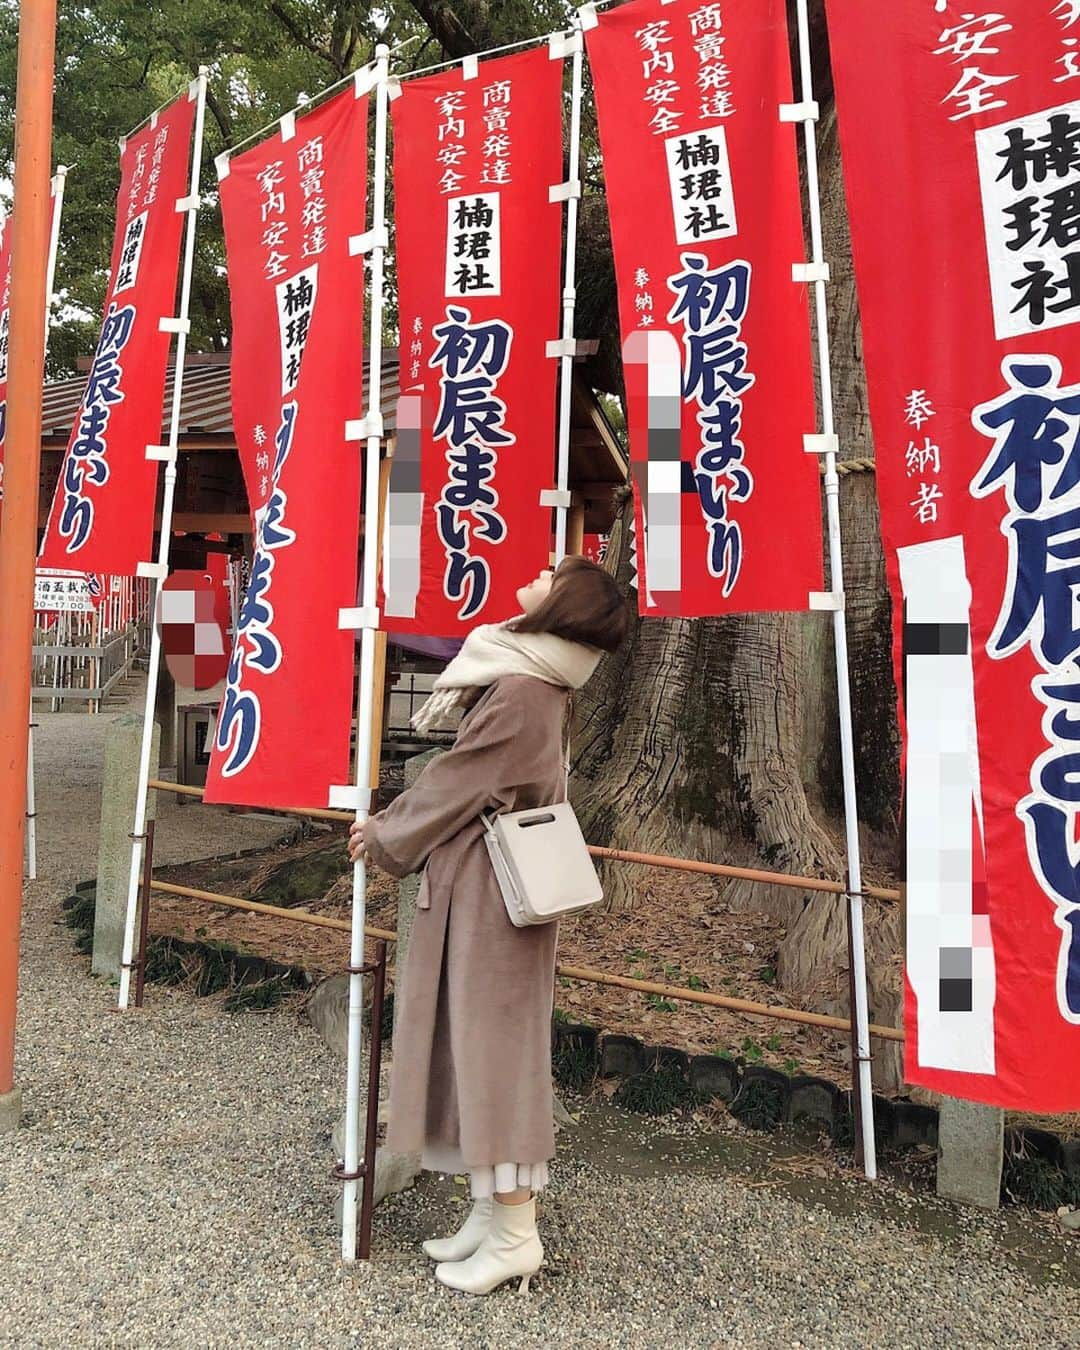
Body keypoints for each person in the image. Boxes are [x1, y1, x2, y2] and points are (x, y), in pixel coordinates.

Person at [349, 555, 628, 1296]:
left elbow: (461, 777)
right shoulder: (536, 676)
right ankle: (491, 1213)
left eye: (554, 573)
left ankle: (514, 1232)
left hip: (493, 899)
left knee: (493, 1052)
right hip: (493, 891)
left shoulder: (525, 687)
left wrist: (384, 834)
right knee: (479, 1045)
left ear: (566, 606)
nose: (538, 570)